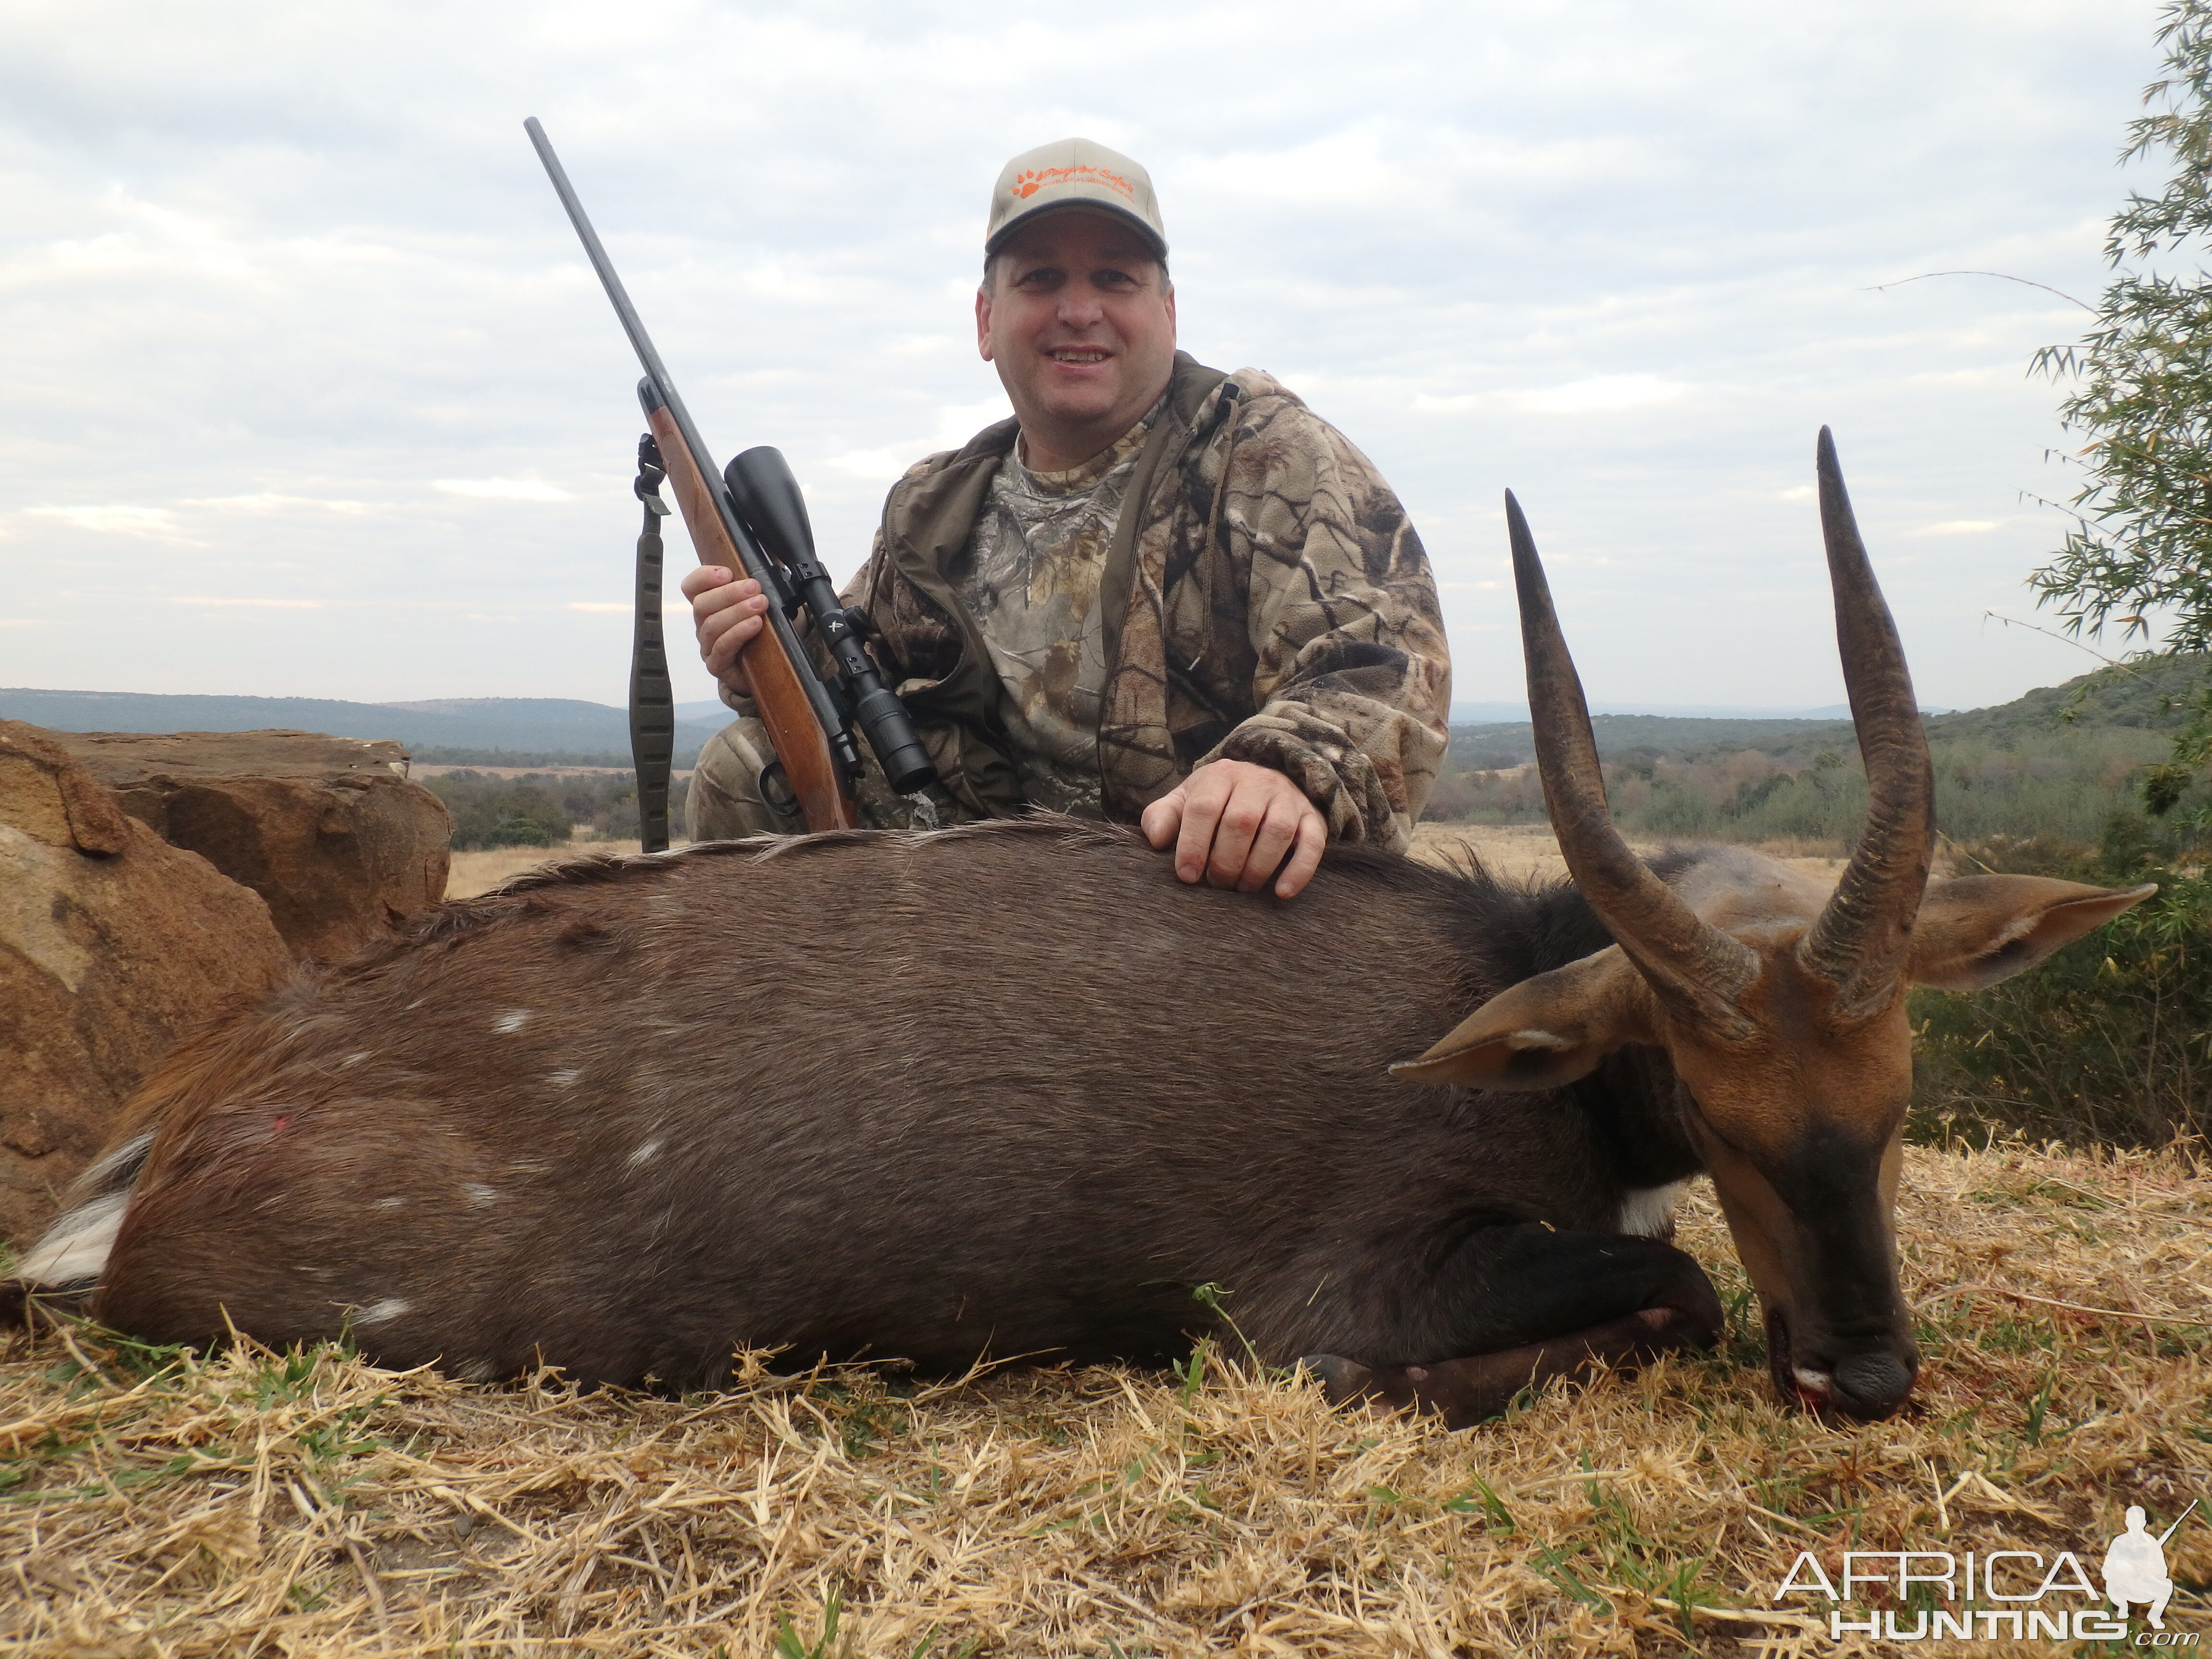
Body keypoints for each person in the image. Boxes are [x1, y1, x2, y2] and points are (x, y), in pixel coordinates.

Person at [683, 138, 1450, 899]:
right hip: (996, 887)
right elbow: (842, 674)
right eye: (1042, 278)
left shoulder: (1268, 454)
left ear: (1168, 312)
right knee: (745, 767)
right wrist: (753, 647)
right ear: (987, 319)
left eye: (1114, 278)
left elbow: (1384, 662)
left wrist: (1281, 773)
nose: (1079, 312)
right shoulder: (935, 504)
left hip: (1194, 893)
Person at [2103, 1505, 2175, 1629]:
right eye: (2132, 1521)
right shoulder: (2119, 1542)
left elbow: (2163, 1570)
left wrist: (2148, 1570)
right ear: (2127, 1522)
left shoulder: (2151, 1543)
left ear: (2144, 1523)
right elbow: (2107, 1569)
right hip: (2122, 1586)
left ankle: (2155, 1616)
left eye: (2138, 1521)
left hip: (2143, 1586)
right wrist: (2125, 1571)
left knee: (2167, 1585)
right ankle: (2122, 1608)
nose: (2135, 1524)